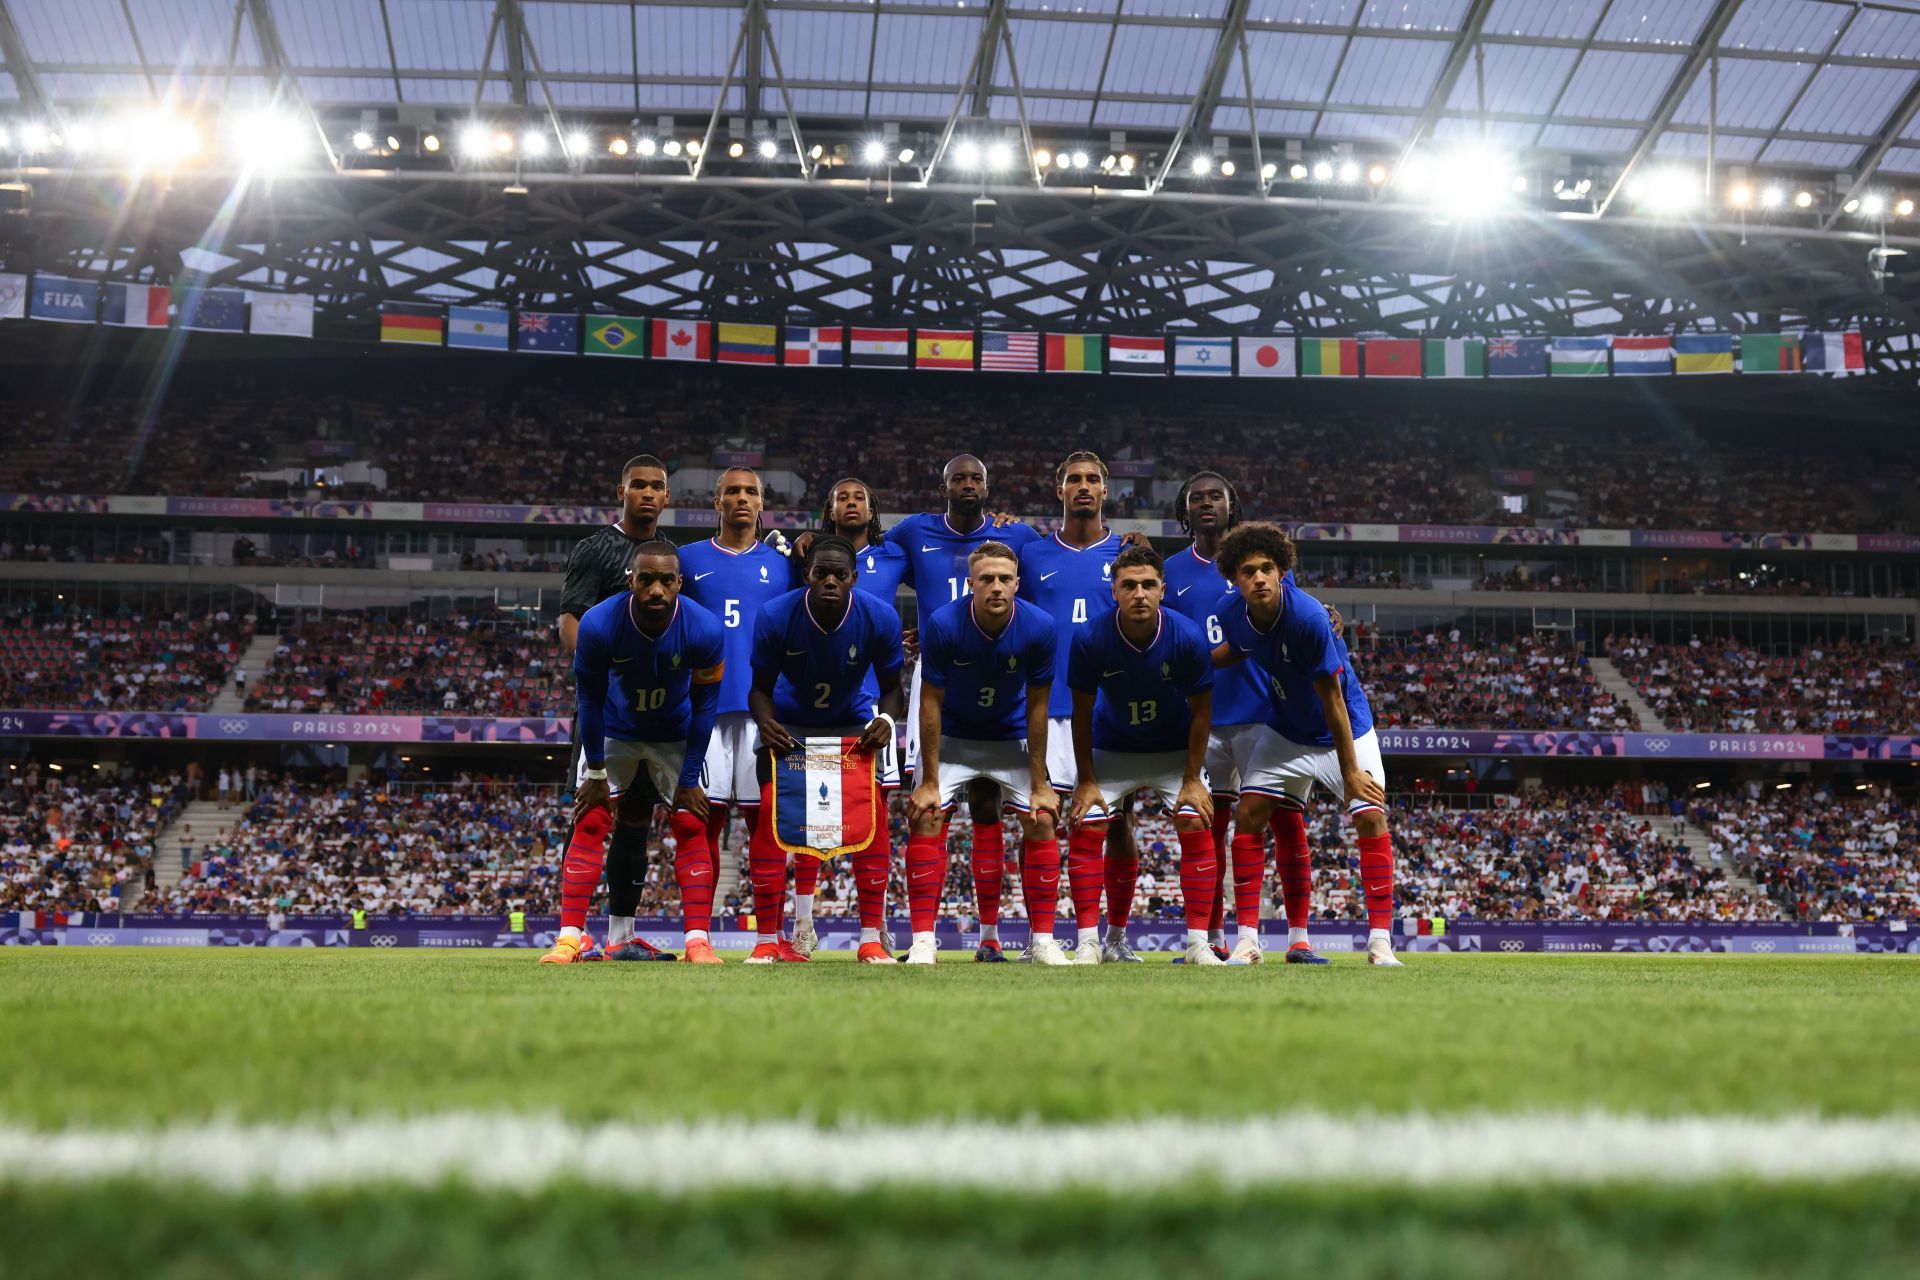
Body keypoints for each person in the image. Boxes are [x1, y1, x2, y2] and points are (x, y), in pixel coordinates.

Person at [1162, 471, 1342, 961]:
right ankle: (1214, 941)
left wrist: (1331, 617)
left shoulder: (1261, 563)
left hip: (1265, 713)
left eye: (1214, 496)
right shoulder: (1171, 571)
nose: (1205, 504)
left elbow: (1303, 617)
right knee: (1209, 829)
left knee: (1286, 825)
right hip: (1202, 719)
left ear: (1231, 504)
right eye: (1195, 498)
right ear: (1184, 510)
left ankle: (1298, 938)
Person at [1212, 522, 1403, 967]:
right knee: (1249, 814)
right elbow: (1237, 650)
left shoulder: (1308, 618)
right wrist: (1191, 666)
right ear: (1235, 579)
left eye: (1266, 569)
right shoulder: (1230, 615)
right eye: (1248, 571)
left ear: (1281, 573)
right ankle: (1247, 941)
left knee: (1371, 816)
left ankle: (1380, 943)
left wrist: (1351, 770)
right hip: (1285, 729)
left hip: (1344, 728)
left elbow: (1332, 699)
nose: (1258, 578)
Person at [884, 455, 1040, 953]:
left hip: (1002, 673)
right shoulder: (913, 532)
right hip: (940, 675)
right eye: (959, 478)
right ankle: (924, 940)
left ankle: (991, 937)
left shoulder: (1017, 536)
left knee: (991, 805)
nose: (968, 485)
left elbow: (1052, 578)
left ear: (988, 487)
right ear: (943, 484)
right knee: (929, 803)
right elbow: (869, 569)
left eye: (976, 478)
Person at [542, 542, 726, 964]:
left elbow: (706, 707)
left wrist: (688, 777)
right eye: (646, 580)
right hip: (617, 730)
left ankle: (698, 941)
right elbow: (588, 701)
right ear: (631, 581)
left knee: (691, 820)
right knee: (589, 817)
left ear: (680, 583)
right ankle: (569, 937)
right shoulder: (599, 624)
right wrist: (594, 774)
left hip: (675, 733)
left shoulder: (704, 629)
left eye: (666, 580)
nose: (656, 590)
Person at [745, 535, 905, 963]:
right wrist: (766, 723)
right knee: (769, 813)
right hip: (790, 727)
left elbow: (893, 691)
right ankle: (766, 940)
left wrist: (886, 721)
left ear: (854, 578)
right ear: (806, 576)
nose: (830, 581)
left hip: (851, 727)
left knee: (872, 818)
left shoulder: (880, 617)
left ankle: (871, 937)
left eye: (840, 574)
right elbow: (758, 690)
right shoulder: (776, 616)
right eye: (821, 573)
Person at [905, 542, 1064, 964]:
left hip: (1009, 737)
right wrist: (931, 782)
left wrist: (1040, 783)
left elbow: (1038, 707)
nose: (996, 586)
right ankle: (923, 941)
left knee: (1042, 816)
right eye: (987, 579)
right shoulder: (943, 624)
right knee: (926, 813)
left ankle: (1043, 941)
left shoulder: (1041, 626)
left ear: (1018, 583)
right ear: (970, 584)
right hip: (954, 736)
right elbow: (930, 703)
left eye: (1005, 579)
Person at [1064, 544, 1222, 966]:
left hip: (1173, 751)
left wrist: (1192, 778)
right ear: (1113, 591)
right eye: (1129, 585)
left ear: (1162, 590)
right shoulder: (1090, 637)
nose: (1139, 593)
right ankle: (1092, 942)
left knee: (1194, 820)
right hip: (1112, 747)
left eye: (1148, 585)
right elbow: (1079, 715)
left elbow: (1203, 712)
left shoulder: (1187, 636)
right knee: (1089, 823)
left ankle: (1197, 945)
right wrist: (1087, 780)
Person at [1017, 451, 1143, 962]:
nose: (1084, 486)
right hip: (1046, 710)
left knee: (1120, 823)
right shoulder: (1031, 555)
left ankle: (1113, 939)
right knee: (1039, 820)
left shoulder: (1131, 557)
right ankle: (1041, 940)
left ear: (1106, 490)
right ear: (1059, 489)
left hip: (1111, 710)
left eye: (1093, 479)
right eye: (1074, 479)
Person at [781, 478, 912, 955]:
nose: (852, 503)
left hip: (872, 704)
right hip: (812, 705)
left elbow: (951, 574)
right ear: (829, 510)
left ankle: (873, 929)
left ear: (873, 508)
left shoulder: (899, 552)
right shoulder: (806, 555)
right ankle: (802, 924)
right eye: (843, 497)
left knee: (871, 817)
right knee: (809, 819)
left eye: (861, 496)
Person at [556, 454, 678, 957]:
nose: (647, 494)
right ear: (621, 491)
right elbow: (570, 626)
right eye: (639, 485)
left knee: (635, 820)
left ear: (667, 497)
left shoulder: (671, 554)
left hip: (652, 712)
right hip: (605, 706)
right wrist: (611, 672)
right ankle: (572, 934)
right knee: (590, 810)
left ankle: (621, 937)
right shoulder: (596, 549)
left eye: (656, 486)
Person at [679, 468, 792, 937]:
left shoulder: (786, 565)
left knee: (768, 824)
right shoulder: (684, 560)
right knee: (698, 822)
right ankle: (696, 938)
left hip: (764, 714)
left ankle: (768, 940)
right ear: (716, 501)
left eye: (751, 492)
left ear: (762, 504)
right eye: (732, 492)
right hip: (701, 710)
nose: (741, 498)